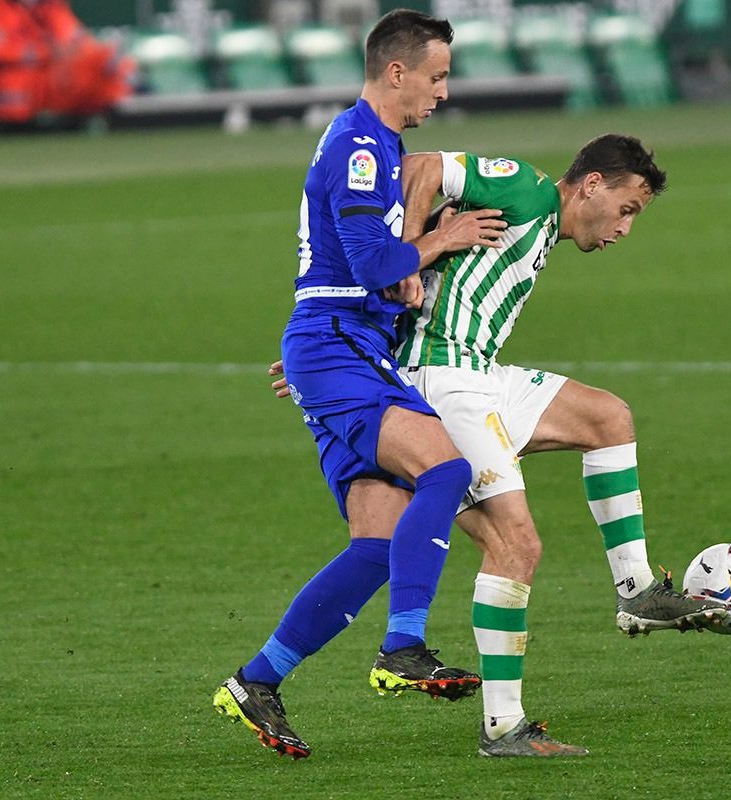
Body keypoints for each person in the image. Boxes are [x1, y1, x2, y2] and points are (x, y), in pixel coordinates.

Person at [271, 134, 727, 757]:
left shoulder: (538, 228)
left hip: (479, 374)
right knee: (515, 546)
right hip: (443, 382)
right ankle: (503, 728)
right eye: (627, 209)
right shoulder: (528, 188)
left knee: (608, 418)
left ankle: (638, 591)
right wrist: (410, 254)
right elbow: (421, 165)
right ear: (592, 184)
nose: (625, 228)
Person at [211, 9, 508, 760]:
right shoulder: (359, 146)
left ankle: (259, 681)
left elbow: (371, 265)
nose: (442, 92)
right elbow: (372, 264)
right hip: (338, 343)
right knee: (446, 469)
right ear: (397, 71)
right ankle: (402, 649)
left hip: (340, 342)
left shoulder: (377, 142)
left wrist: (409, 262)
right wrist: (437, 241)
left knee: (379, 544)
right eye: (436, 77)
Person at [0, 0, 133, 125]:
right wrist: (42, 52)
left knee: (104, 59)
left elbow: (78, 41)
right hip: (22, 77)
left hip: (55, 76)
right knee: (11, 80)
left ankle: (119, 111)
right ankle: (18, 132)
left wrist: (65, 52)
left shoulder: (52, 7)